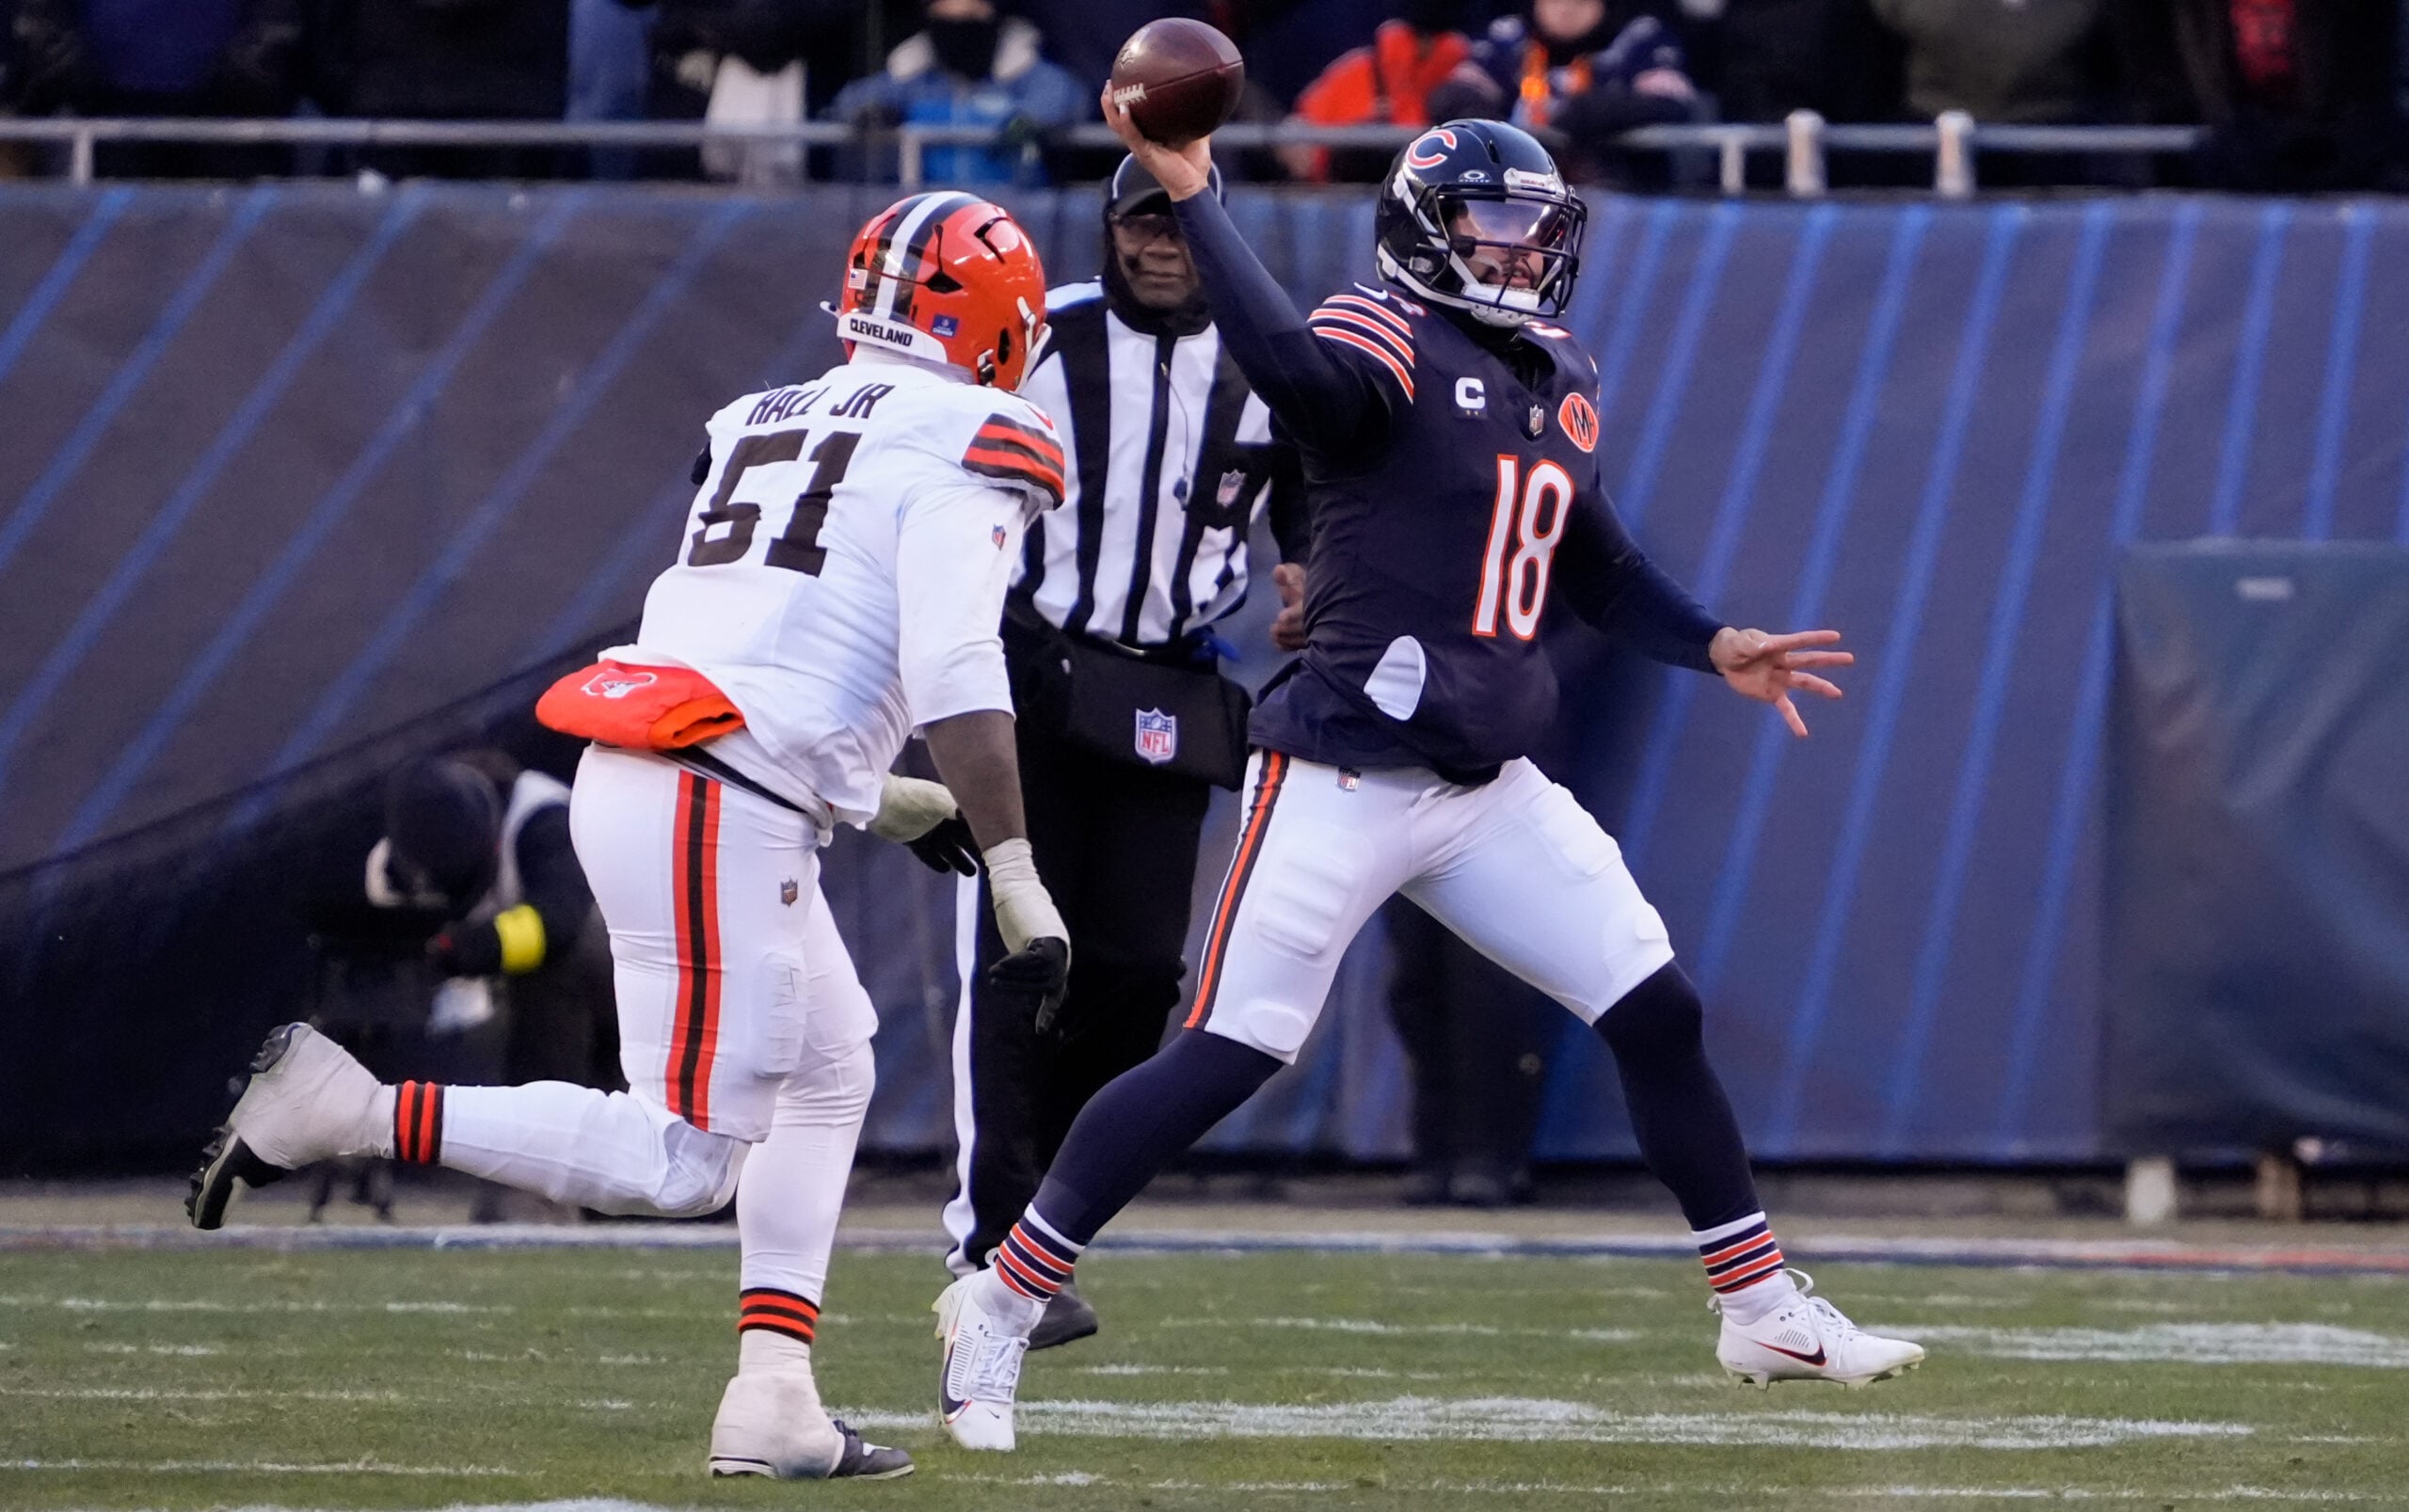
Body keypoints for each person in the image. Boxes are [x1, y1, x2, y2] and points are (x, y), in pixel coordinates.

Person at [926, 103, 1926, 1454]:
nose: (1519, 253)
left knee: (1656, 1006)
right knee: (1232, 1048)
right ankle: (999, 1293)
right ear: (1421, 227)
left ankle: (1757, 1302)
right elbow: (1290, 369)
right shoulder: (1374, 335)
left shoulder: (1552, 367)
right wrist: (1198, 195)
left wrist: (1716, 644)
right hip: (1342, 768)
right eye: (1492, 225)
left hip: (1484, 782)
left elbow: (1596, 561)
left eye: (1535, 229)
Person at [187, 188, 1078, 1483]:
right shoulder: (971, 431)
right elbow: (951, 660)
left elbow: (758, 638)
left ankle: (773, 1393)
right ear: (1001, 330)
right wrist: (1013, 863)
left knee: (833, 1069)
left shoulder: (769, 414)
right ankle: (351, 1107)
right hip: (718, 798)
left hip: (674, 766)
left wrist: (878, 795)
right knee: (683, 1158)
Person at [943, 153, 1304, 1353]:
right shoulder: (1039, 338)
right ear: (1107, 228)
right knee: (1020, 952)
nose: (1156, 243)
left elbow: (1310, 488)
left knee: (1143, 970)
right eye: (1136, 223)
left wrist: (1310, 572)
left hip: (1168, 686)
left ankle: (1047, 1202)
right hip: (1034, 673)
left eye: (1175, 223)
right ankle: (995, 1237)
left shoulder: (1266, 356)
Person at [824, 0, 1086, 187]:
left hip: (1010, 211)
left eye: (971, 17)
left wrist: (1030, 120)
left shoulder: (1023, 70)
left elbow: (1067, 97)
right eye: (947, 20)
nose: (959, 31)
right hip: (930, 210)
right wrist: (871, 110)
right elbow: (849, 102)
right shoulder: (914, 74)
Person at [1284, 0, 1476, 183]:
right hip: (1354, 203)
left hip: (1408, 203)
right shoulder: (1358, 72)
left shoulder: (1464, 78)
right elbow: (1297, 135)